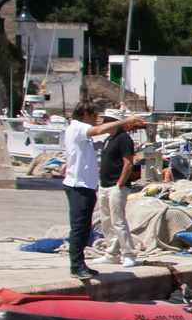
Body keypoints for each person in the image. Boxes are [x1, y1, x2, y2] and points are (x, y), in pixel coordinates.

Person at [60, 102, 147, 280]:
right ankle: (76, 265)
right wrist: (126, 120)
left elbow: (128, 162)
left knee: (86, 227)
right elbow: (99, 131)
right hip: (79, 186)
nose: (96, 121)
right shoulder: (77, 128)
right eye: (94, 116)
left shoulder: (116, 138)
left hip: (87, 186)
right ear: (85, 114)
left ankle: (82, 263)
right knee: (79, 228)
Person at [97, 118, 142, 267]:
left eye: (109, 121)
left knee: (118, 220)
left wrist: (120, 183)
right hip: (104, 185)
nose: (105, 123)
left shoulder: (124, 139)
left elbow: (128, 163)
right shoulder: (108, 139)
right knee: (106, 221)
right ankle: (112, 253)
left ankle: (129, 253)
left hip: (117, 187)